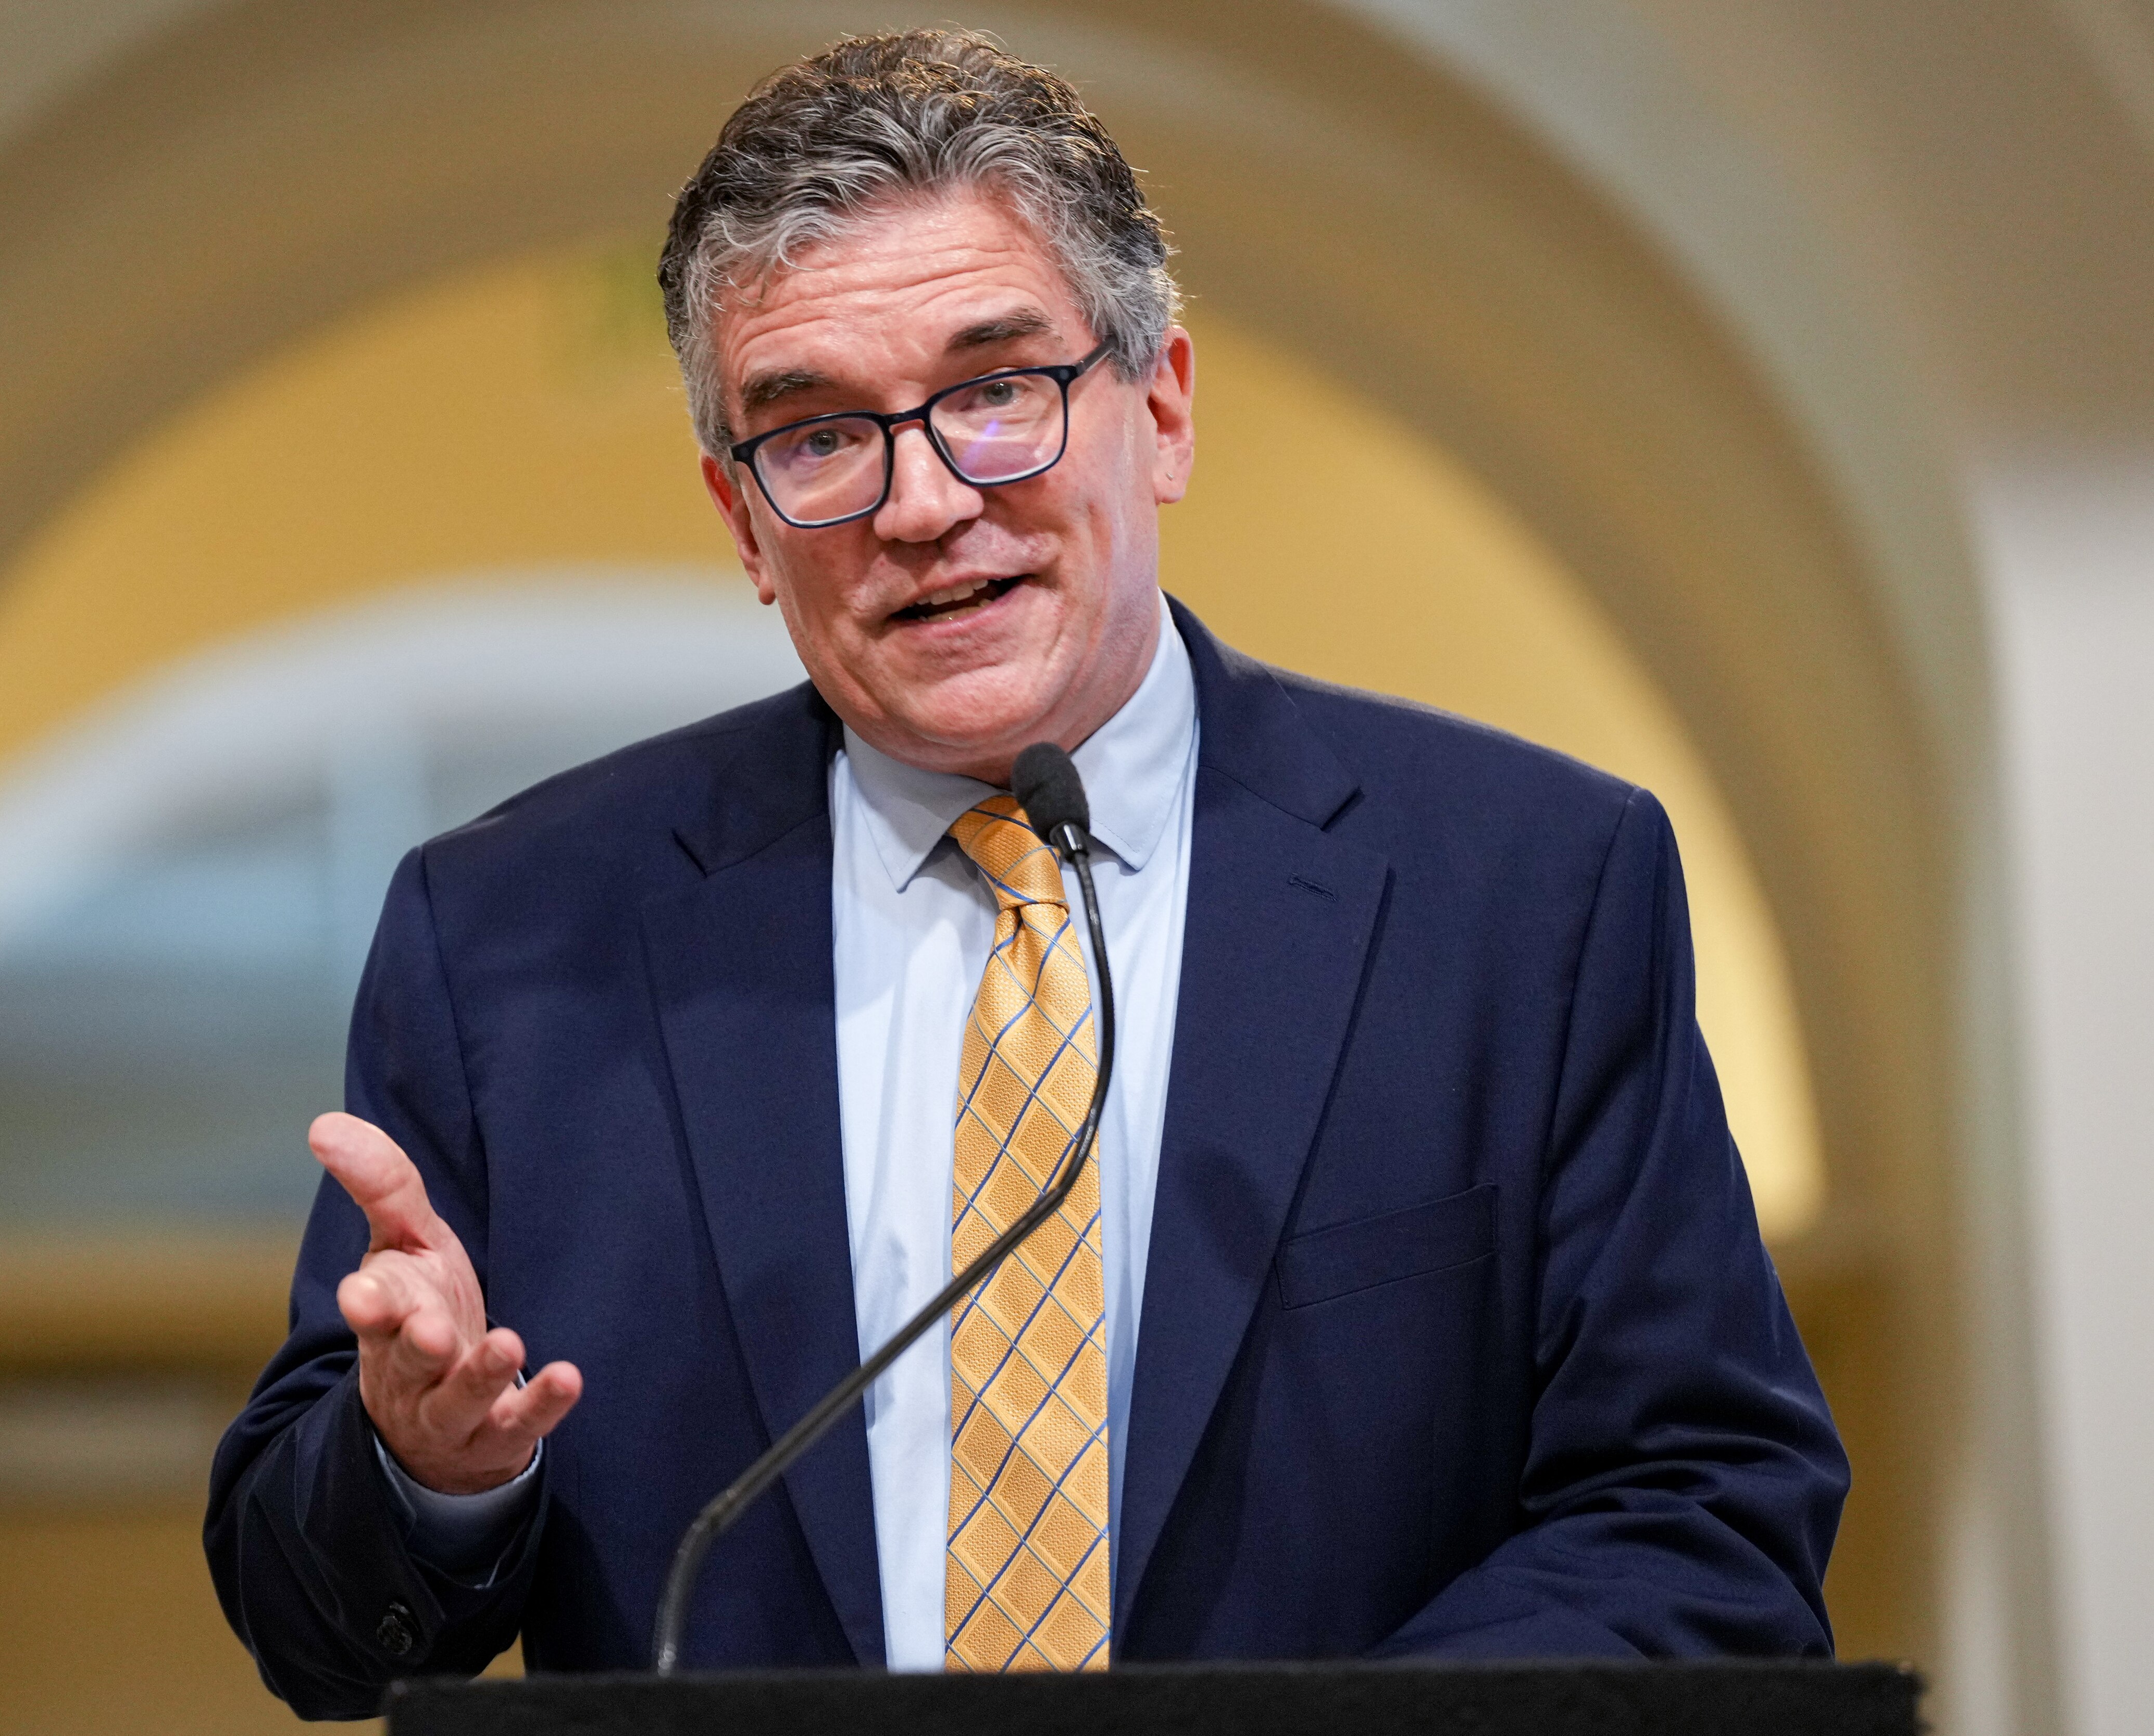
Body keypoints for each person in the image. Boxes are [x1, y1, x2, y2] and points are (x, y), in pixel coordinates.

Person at [204, 30, 1845, 1716]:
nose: (921, 503)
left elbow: (1706, 1522)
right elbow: (309, 1628)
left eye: (994, 392)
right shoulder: (514, 949)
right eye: (817, 436)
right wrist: (428, 1471)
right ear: (743, 520)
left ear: (1164, 409)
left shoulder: (1525, 896)